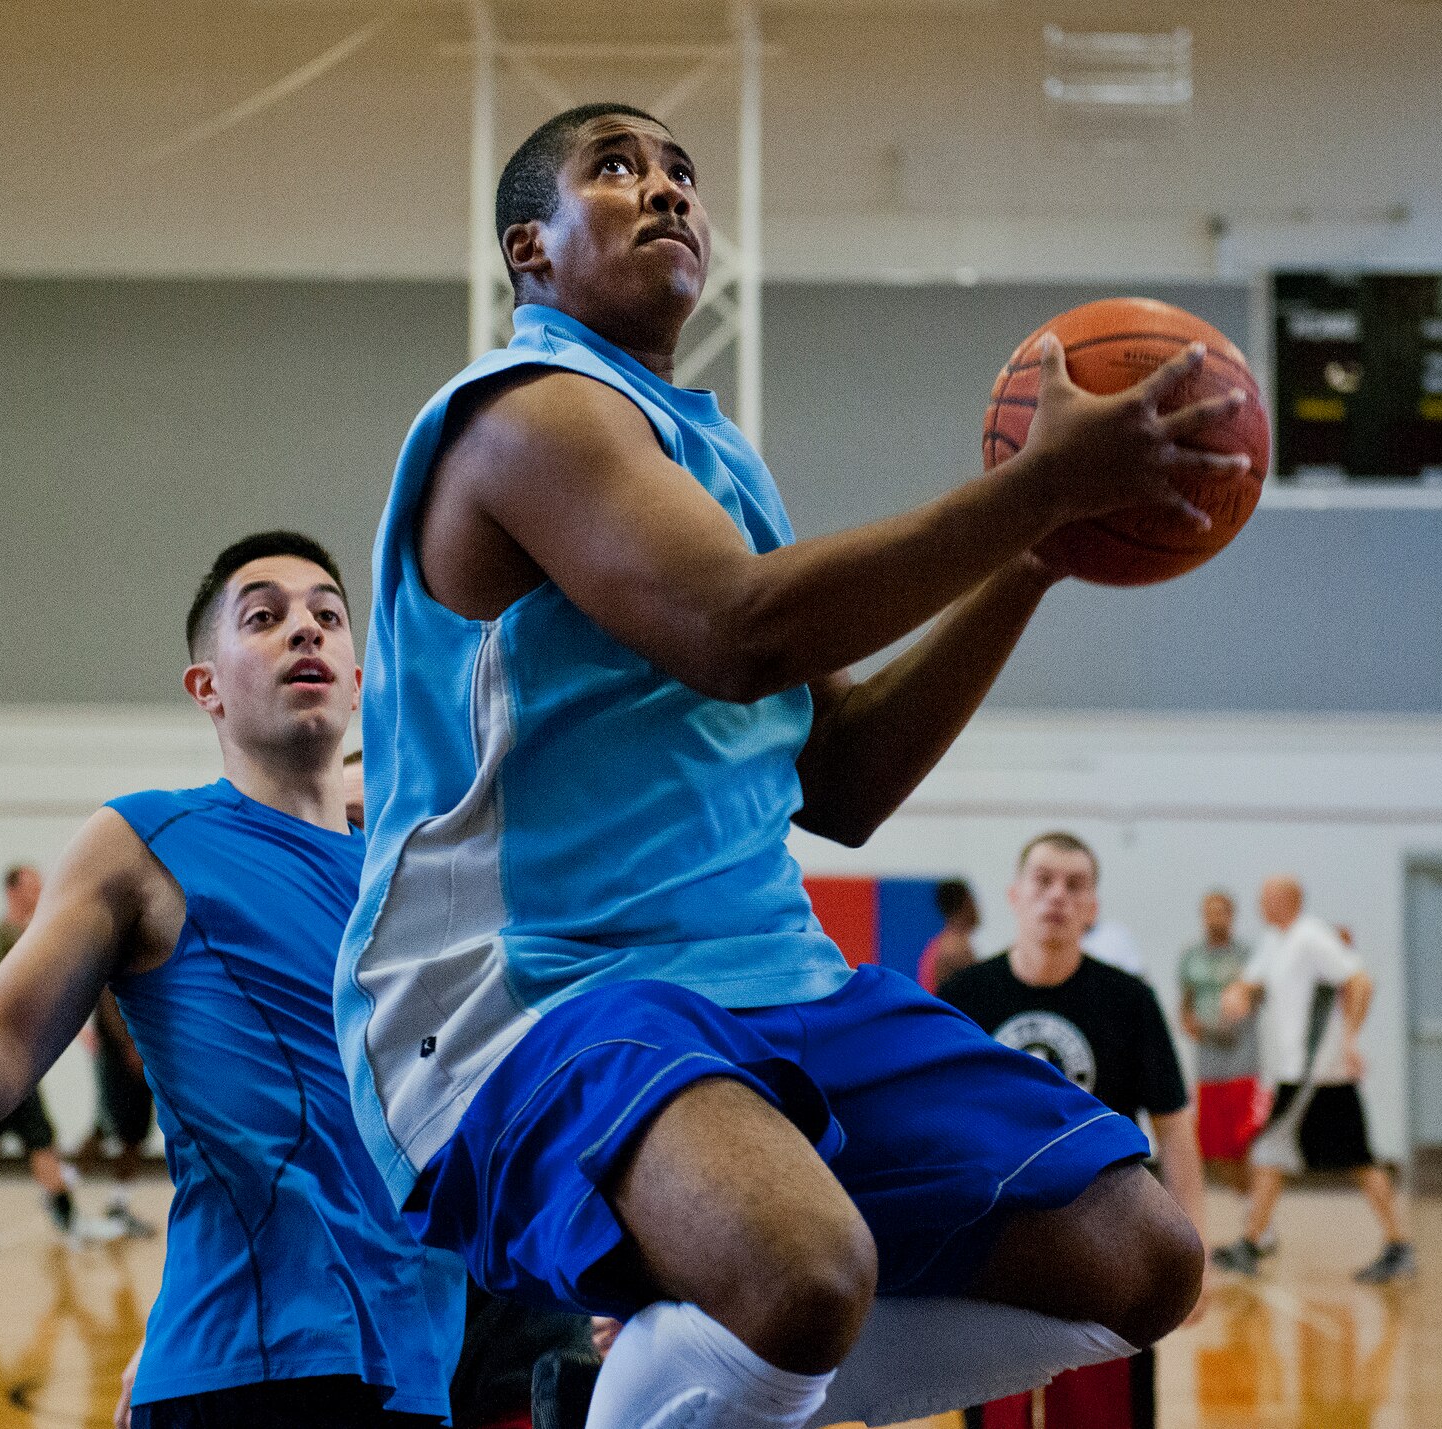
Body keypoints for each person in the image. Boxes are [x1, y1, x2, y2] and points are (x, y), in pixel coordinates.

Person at [338, 102, 1247, 1429]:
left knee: (1141, 1261)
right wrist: (1029, 494)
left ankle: (659, 1384)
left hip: (771, 979)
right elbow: (739, 627)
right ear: (529, 250)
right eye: (617, 168)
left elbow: (853, 778)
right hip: (533, 992)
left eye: (681, 174)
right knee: (803, 1273)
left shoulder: (712, 462)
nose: (663, 190)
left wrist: (1036, 558)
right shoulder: (526, 416)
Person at [0, 532, 464, 1428]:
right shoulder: (144, 844)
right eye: (264, 616)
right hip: (246, 1376)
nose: (305, 629)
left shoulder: (416, 873)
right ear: (207, 686)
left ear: (358, 672)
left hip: (420, 1371)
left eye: (328, 616)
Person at [939, 833, 1206, 1429]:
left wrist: (1198, 1253)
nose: (1057, 895)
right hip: (994, 1249)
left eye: (1075, 884)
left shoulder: (1130, 1001)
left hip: (1109, 1249)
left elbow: (1175, 1130)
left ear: (1092, 907)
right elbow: (930, 1128)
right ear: (1015, 894)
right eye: (1043, 880)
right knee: (998, 1415)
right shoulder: (963, 998)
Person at [1210, 877, 1413, 1283]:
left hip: (1321, 1075)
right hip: (1294, 1074)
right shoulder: (1275, 940)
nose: (1260, 902)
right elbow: (1252, 981)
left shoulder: (1312, 937)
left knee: (1344, 1157)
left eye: (1267, 896)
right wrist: (1238, 993)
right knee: (1276, 1153)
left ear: (1289, 900)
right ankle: (1252, 1243)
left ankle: (1397, 1246)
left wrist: (1351, 1038)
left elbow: (1360, 981)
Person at [0, 864, 103, 1251]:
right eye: (32, 885)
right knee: (37, 1141)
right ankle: (68, 1223)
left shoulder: (34, 935)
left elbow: (50, 996)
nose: (41, 890)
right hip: (5, 1063)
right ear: (13, 890)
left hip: (21, 1064)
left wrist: (75, 1030)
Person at [1177, 890, 1259, 1191]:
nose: (1215, 919)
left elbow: (1257, 995)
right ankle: (1247, 1200)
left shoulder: (1246, 956)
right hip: (1207, 1061)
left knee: (1243, 1140)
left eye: (1221, 912)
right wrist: (1188, 1021)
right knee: (1214, 1147)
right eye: (1209, 912)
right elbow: (1185, 1001)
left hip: (1241, 1058)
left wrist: (1238, 1008)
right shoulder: (1192, 956)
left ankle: (1256, 1218)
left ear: (1232, 915)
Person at [71, 987, 161, 1239]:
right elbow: (109, 996)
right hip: (122, 1055)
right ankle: (59, 1191)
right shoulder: (118, 957)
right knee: (115, 1130)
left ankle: (115, 1205)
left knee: (127, 1134)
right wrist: (128, 1044)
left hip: (138, 1051)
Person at [916, 879, 979, 994]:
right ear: (966, 904)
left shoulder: (941, 943)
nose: (977, 908)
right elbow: (978, 994)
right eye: (973, 901)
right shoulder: (956, 949)